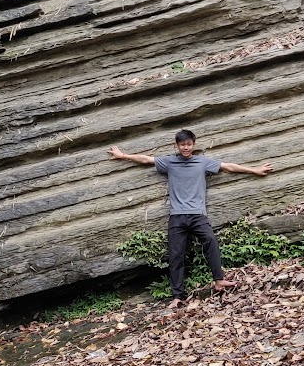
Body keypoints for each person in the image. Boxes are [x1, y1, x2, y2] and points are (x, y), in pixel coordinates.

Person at [108, 128, 273, 305]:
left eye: (188, 144)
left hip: (197, 215)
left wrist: (255, 170)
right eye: (182, 145)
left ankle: (219, 280)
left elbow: (228, 166)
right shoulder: (169, 162)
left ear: (194, 144)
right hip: (177, 217)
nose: (185, 147)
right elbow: (147, 159)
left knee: (210, 241)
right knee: (175, 255)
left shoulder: (202, 162)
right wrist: (123, 155)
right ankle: (178, 296)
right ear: (177, 145)